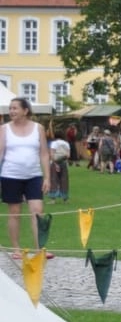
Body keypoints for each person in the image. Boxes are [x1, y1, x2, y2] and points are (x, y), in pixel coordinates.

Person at [1, 97, 52, 259]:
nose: (11, 111)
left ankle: (40, 249)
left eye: (15, 108)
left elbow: (44, 154)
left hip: (34, 176)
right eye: (10, 108)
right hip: (11, 175)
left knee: (38, 211)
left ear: (26, 110)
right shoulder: (4, 129)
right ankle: (16, 249)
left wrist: (47, 178)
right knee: (14, 212)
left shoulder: (39, 128)